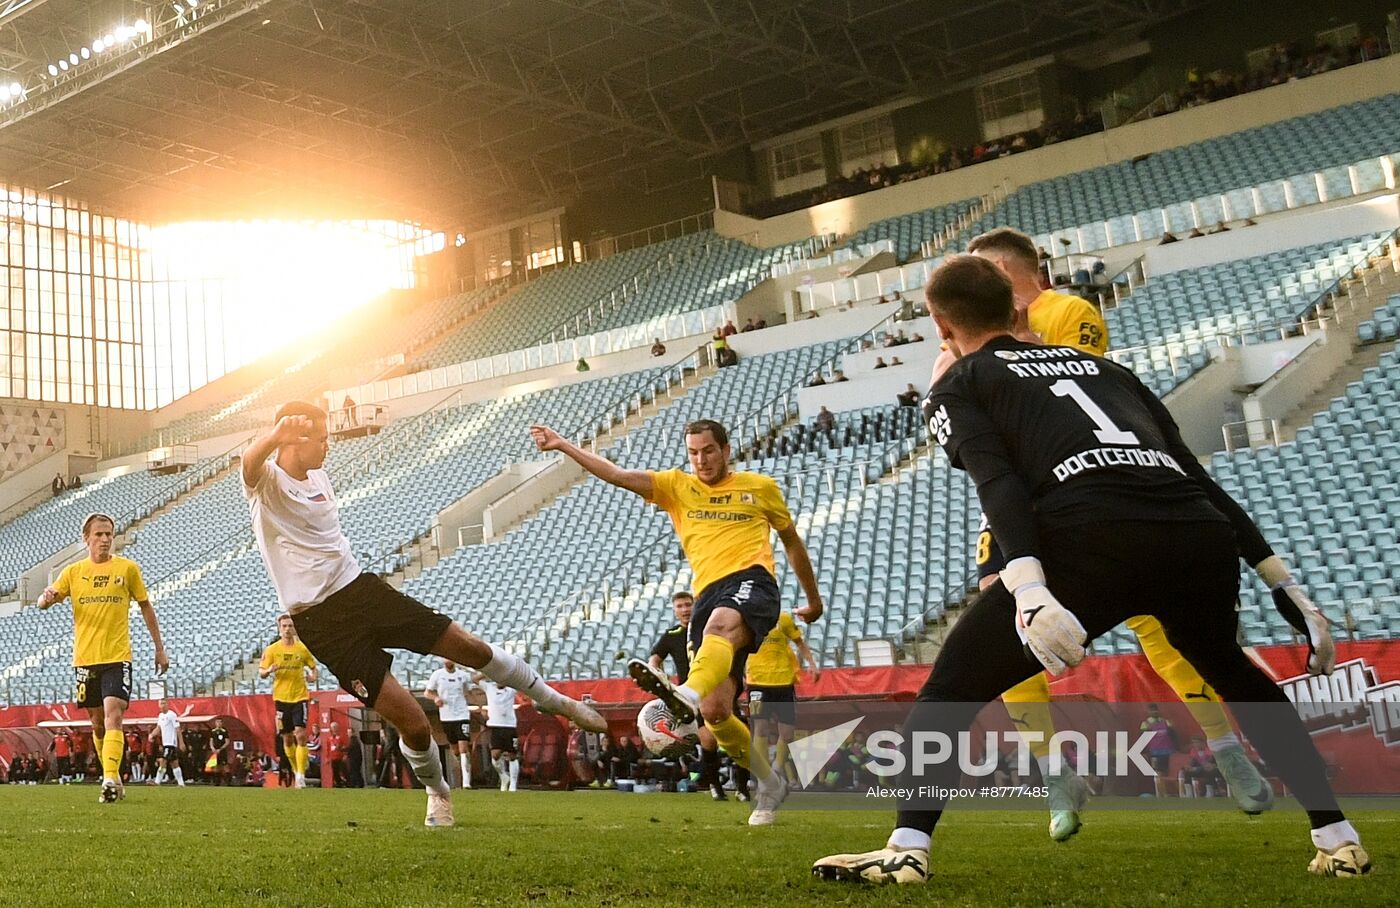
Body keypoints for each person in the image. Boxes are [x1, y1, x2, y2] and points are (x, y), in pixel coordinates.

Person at [813, 254, 1364, 884]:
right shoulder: (1111, 369)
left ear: (940, 323)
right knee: (1231, 670)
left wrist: (1028, 588)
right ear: (1017, 308)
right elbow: (1193, 471)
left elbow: (1000, 485)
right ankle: (1338, 836)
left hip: (1091, 537)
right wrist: (1281, 580)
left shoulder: (961, 380)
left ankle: (907, 848)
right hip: (1193, 532)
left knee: (950, 690)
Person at [961, 226, 1272, 835]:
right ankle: (1055, 774)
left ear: (1009, 270)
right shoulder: (973, 331)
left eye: (982, 273)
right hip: (1014, 495)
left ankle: (1225, 746)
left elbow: (1078, 385)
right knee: (1007, 620)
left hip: (1093, 483)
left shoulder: (1069, 311)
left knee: (1160, 626)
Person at [241, 402, 605, 827]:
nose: (328, 447)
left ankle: (554, 701)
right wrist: (274, 435)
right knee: (412, 724)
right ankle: (438, 794)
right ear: (294, 442)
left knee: (467, 646)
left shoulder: (319, 476)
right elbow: (249, 465)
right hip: (322, 623)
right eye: (321, 439)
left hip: (361, 591)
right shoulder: (265, 482)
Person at [530, 418, 824, 826]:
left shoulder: (760, 488)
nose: (701, 460)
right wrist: (564, 444)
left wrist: (813, 599)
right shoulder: (676, 486)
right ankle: (768, 781)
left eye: (708, 450)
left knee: (720, 628)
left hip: (753, 582)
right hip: (707, 595)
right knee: (718, 713)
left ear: (725, 449)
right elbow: (615, 474)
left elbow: (792, 541)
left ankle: (683, 693)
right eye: (693, 453)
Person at [37, 512, 169, 804]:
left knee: (114, 715)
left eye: (109, 533)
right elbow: (44, 601)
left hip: (117, 656)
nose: (106, 539)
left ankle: (109, 779)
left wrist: (159, 647)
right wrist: (45, 598)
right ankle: (113, 774)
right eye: (99, 534)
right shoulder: (73, 572)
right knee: (97, 723)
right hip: (85, 659)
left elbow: (146, 607)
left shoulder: (128, 568)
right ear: (86, 539)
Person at [648, 591, 740, 801]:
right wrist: (659, 676)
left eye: (688, 604)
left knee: (734, 737)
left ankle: (742, 787)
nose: (685, 610)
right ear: (674, 610)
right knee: (708, 741)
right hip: (693, 697)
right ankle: (715, 786)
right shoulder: (671, 636)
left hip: (720, 689)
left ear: (695, 605)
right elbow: (654, 658)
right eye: (679, 606)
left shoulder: (708, 631)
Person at [745, 611, 819, 785]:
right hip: (756, 683)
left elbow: (800, 643)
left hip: (784, 683)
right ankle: (764, 775)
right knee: (760, 727)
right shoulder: (747, 617)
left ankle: (777, 768)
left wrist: (812, 665)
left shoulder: (783, 618)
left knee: (787, 733)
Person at [259, 614, 318, 788]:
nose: (287, 629)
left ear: (294, 628)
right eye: (284, 626)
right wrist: (269, 669)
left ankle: (300, 775)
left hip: (299, 697)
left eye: (290, 626)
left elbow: (314, 668)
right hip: (281, 699)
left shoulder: (301, 649)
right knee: (287, 739)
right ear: (279, 628)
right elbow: (261, 673)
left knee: (300, 734)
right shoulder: (272, 650)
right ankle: (295, 769)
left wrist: (312, 677)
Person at [425, 659, 474, 789]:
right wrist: (436, 698)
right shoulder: (437, 675)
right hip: (446, 716)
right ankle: (464, 768)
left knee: (463, 747)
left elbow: (467, 692)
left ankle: (466, 782)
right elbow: (427, 692)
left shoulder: (463, 676)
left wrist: (479, 707)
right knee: (455, 749)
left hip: (462, 715)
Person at [473, 673, 520, 791]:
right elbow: (474, 679)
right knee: (495, 755)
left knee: (512, 755)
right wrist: (487, 672)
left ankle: (513, 784)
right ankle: (504, 776)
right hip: (495, 726)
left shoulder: (511, 690)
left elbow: (522, 681)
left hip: (509, 726)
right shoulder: (489, 687)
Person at [149, 698, 185, 786]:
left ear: (167, 704)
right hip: (165, 743)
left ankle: (157, 782)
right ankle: (181, 784)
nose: (163, 705)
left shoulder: (172, 715)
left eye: (164, 703)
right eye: (161, 704)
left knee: (163, 761)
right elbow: (158, 728)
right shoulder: (160, 716)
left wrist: (181, 742)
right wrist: (152, 735)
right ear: (158, 705)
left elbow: (178, 729)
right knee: (174, 763)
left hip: (171, 743)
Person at [208, 718, 232, 786]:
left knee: (225, 765)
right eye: (217, 722)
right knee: (216, 765)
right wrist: (212, 748)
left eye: (220, 722)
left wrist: (220, 749)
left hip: (222, 751)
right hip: (215, 751)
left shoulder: (224, 731)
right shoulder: (213, 731)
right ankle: (217, 782)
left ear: (222, 723)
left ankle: (228, 782)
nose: (218, 723)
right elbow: (211, 741)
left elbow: (227, 742)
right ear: (215, 723)